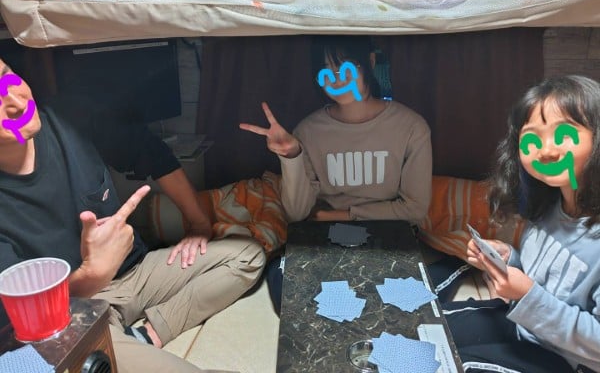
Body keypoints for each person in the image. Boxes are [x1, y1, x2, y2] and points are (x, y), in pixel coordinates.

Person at [0, 58, 266, 373]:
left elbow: (150, 153)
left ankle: (149, 333)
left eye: (7, 77)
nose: (17, 102)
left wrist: (199, 224)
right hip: (75, 312)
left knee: (248, 254)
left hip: (137, 272)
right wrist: (93, 274)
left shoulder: (70, 117)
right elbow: (20, 320)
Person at [240, 35, 432, 314]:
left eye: (345, 68)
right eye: (326, 72)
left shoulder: (411, 127)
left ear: (370, 62)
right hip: (326, 238)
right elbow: (297, 213)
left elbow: (415, 209)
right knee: (299, 300)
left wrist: (342, 214)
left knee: (399, 305)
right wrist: (291, 156)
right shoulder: (309, 130)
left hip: (387, 236)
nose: (336, 79)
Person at [443, 75, 600, 373]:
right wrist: (508, 259)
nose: (547, 150)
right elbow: (546, 280)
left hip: (567, 362)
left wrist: (528, 296)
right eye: (531, 139)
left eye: (565, 134)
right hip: (524, 329)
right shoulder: (549, 207)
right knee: (428, 328)